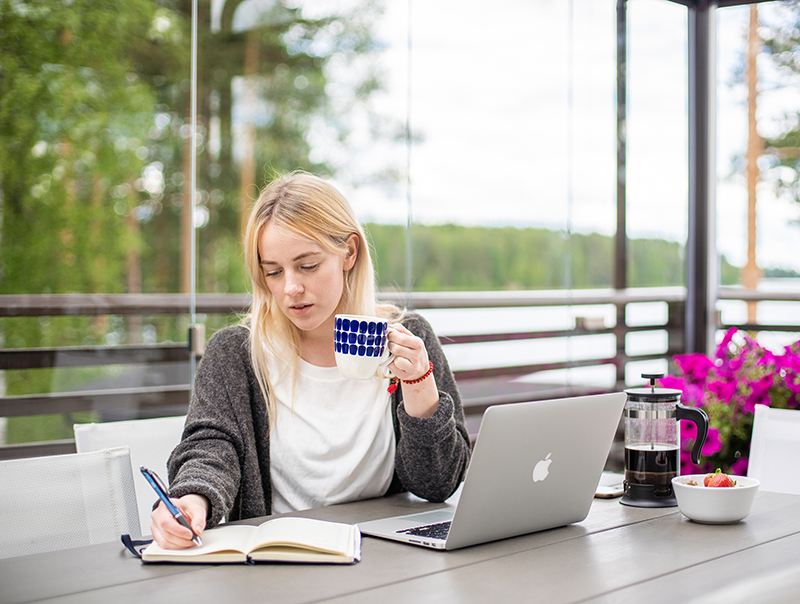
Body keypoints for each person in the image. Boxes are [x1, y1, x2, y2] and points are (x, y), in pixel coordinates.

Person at [151, 171, 471, 549]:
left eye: (307, 266)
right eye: (273, 272)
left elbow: (439, 484)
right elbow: (211, 445)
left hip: (385, 554)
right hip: (279, 561)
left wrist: (419, 382)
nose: (290, 288)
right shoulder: (237, 354)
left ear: (349, 253)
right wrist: (194, 496)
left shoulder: (408, 339)